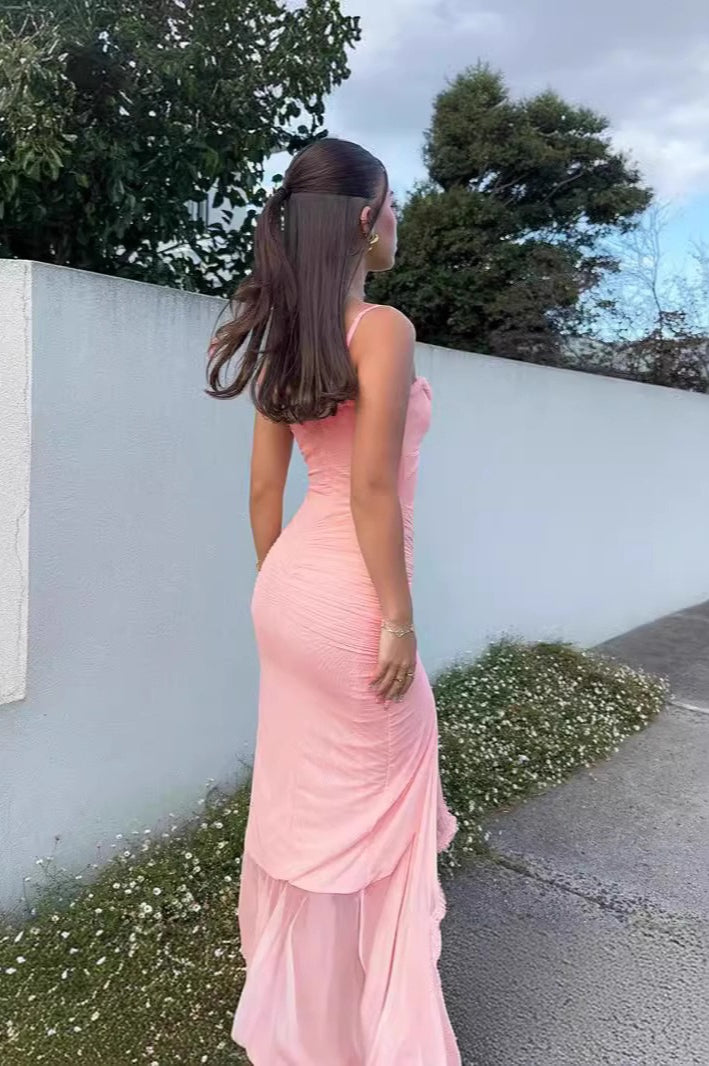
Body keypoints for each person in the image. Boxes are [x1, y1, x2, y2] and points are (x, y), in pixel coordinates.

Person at [205, 137, 460, 1065]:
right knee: (382, 803)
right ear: (362, 218)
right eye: (392, 202)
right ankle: (363, 1035)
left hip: (286, 591)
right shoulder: (380, 328)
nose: (398, 218)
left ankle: (316, 1021)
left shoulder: (287, 335)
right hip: (353, 597)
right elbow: (372, 489)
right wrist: (396, 617)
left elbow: (263, 494)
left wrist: (282, 592)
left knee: (309, 805)